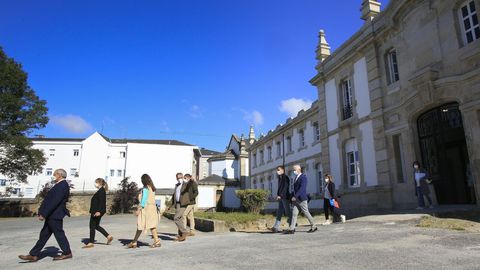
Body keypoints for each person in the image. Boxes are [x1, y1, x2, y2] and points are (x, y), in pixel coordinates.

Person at [19, 169, 72, 262]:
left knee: (59, 234)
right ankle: (33, 255)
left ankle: (67, 252)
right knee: (44, 235)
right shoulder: (59, 185)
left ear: (60, 175)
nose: (54, 176)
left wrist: (44, 213)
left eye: (55, 174)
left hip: (55, 215)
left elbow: (53, 202)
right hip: (52, 215)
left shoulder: (62, 185)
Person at [127, 174, 161, 249]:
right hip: (152, 209)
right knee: (150, 225)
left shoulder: (145, 188)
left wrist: (139, 209)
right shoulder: (152, 188)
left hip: (146, 209)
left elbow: (144, 200)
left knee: (140, 224)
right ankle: (156, 241)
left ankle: (134, 242)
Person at [284, 164, 318, 234]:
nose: (293, 171)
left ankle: (314, 226)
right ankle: (292, 229)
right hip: (296, 200)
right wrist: (292, 195)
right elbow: (296, 189)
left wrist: (295, 196)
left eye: (294, 170)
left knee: (306, 212)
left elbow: (302, 189)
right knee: (294, 213)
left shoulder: (303, 177)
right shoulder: (296, 177)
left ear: (298, 170)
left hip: (302, 199)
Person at [83, 178, 114, 249]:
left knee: (92, 226)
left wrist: (99, 211)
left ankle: (91, 242)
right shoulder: (101, 191)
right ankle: (108, 236)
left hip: (97, 211)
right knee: (96, 226)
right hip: (96, 211)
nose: (95, 184)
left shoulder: (101, 191)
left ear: (99, 183)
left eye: (96, 182)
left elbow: (101, 202)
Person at [170, 172, 192, 242]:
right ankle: (181, 236)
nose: (179, 179)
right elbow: (174, 195)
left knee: (176, 218)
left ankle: (184, 232)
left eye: (180, 177)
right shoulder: (177, 185)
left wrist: (190, 180)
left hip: (183, 203)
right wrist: (171, 205)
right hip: (178, 204)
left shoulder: (185, 184)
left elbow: (190, 185)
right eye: (178, 177)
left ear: (183, 177)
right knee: (179, 218)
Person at [269, 166, 292, 233]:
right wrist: (278, 195)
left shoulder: (286, 178)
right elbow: (280, 188)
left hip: (285, 197)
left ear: (283, 170)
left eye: (279, 170)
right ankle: (276, 227)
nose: (277, 171)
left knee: (288, 212)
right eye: (277, 170)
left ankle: (292, 225)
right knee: (279, 212)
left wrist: (281, 195)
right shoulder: (280, 177)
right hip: (281, 197)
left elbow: (285, 188)